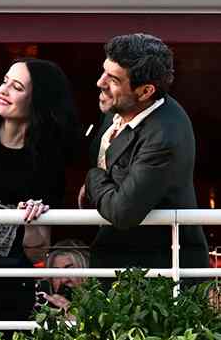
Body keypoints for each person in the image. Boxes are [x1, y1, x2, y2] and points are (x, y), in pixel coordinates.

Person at [0, 59, 78, 319]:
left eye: (17, 87)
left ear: (37, 100)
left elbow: (37, 253)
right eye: (5, 81)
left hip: (9, 282)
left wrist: (33, 221)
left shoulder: (46, 158)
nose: (3, 90)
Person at [76, 33, 208, 273]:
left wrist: (92, 178)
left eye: (113, 79)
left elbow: (122, 212)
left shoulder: (164, 135)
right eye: (104, 71)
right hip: (115, 265)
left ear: (146, 91)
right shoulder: (120, 105)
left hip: (159, 276)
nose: (100, 82)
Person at [36, 240, 90, 314]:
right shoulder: (43, 309)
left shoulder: (102, 303)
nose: (64, 280)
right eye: (56, 274)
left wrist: (72, 315)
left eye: (69, 270)